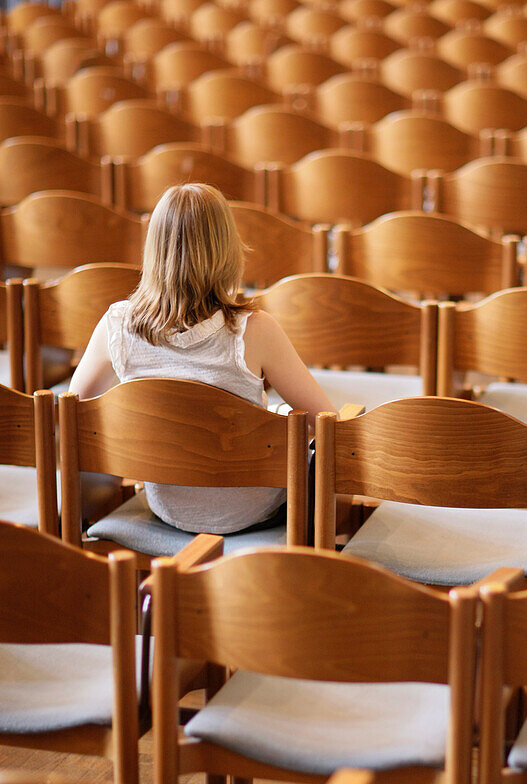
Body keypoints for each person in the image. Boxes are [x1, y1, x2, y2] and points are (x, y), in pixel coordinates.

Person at [69, 182, 337, 535]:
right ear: (227, 249)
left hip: (167, 505)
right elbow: (326, 421)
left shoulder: (117, 326)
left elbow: (73, 412)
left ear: (153, 248)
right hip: (253, 511)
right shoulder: (253, 330)